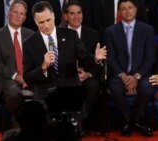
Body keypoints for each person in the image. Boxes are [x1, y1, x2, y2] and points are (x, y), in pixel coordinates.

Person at [22, 1, 106, 112]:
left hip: (70, 90)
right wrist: (43, 67)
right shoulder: (30, 44)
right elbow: (27, 77)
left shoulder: (70, 35)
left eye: (48, 20)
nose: (46, 25)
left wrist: (95, 58)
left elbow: (84, 58)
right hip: (45, 94)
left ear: (53, 15)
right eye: (41, 22)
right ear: (35, 21)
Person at [105, 0, 156, 137]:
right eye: (123, 9)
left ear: (136, 9)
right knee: (115, 88)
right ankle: (134, 121)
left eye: (130, 8)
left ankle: (131, 122)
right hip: (119, 75)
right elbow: (110, 58)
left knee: (147, 88)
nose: (127, 11)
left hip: (141, 74)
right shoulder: (111, 31)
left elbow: (150, 58)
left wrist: (136, 76)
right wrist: (123, 76)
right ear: (119, 12)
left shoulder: (147, 30)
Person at [0, 0, 34, 118]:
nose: (18, 16)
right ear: (9, 13)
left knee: (47, 90)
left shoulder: (32, 35)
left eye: (22, 14)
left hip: (29, 77)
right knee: (14, 93)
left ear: (25, 18)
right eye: (15, 12)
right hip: (7, 78)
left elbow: (37, 59)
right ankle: (17, 124)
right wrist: (16, 76)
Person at [63, 0, 102, 133]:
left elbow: (99, 61)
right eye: (72, 13)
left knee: (93, 85)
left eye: (79, 13)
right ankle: (70, 124)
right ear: (65, 16)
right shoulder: (57, 33)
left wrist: (88, 74)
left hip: (86, 75)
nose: (76, 17)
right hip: (65, 76)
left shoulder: (93, 34)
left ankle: (77, 122)